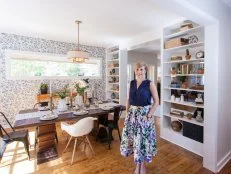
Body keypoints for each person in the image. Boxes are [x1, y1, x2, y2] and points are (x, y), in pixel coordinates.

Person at [120, 62, 159, 174]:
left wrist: (149, 115)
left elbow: (157, 102)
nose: (139, 72)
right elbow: (128, 100)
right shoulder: (131, 83)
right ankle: (138, 166)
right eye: (137, 69)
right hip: (132, 116)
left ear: (145, 70)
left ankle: (141, 167)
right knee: (135, 142)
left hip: (145, 116)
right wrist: (127, 114)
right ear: (134, 71)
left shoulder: (150, 84)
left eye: (141, 69)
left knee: (142, 142)